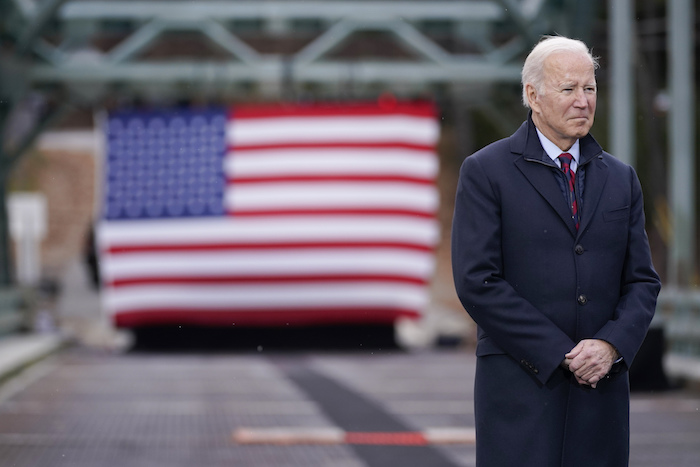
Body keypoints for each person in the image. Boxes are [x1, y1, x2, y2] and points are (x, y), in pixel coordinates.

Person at [451, 36, 661, 467]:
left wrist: (610, 345)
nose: (583, 101)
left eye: (590, 88)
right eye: (569, 89)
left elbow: (642, 281)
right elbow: (477, 281)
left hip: (600, 399)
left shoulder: (622, 179)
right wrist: (560, 353)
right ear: (533, 96)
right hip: (521, 393)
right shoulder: (486, 171)